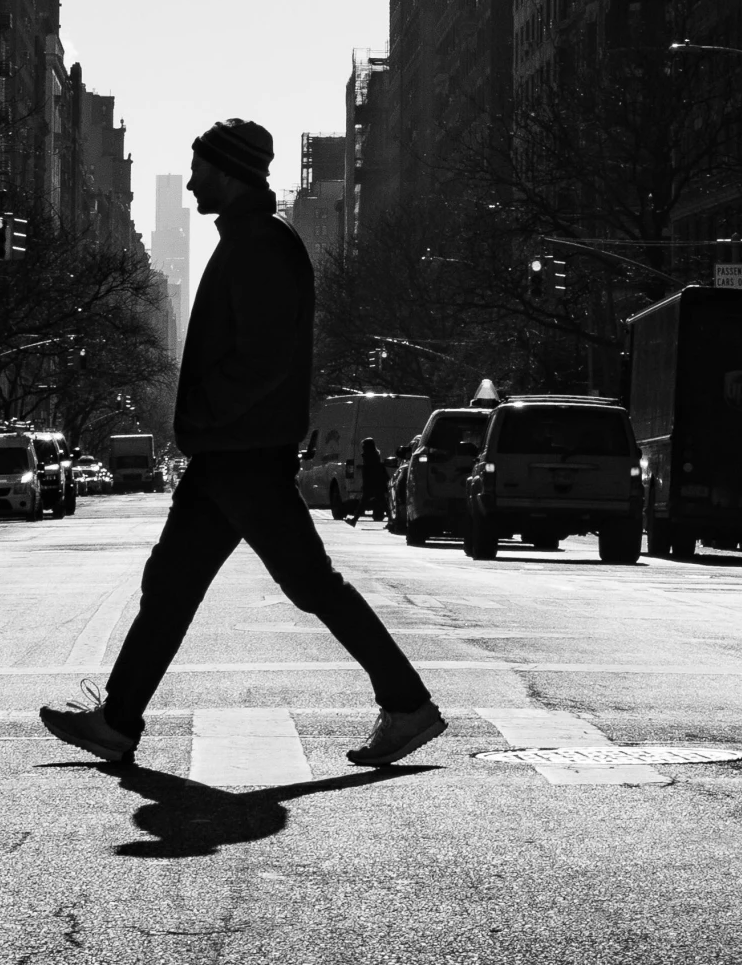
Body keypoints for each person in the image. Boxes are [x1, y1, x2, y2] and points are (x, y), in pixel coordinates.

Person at [41, 118, 445, 769]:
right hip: (231, 453)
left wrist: (204, 410)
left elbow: (263, 358)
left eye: (200, 167)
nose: (194, 178)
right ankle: (118, 720)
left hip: (241, 454)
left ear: (228, 172)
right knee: (177, 586)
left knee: (307, 585)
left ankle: (407, 703)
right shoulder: (250, 240)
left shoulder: (259, 245)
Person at [348, 436, 388, 527]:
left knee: (364, 503)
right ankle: (392, 521)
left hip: (371, 483)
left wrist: (365, 483)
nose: (363, 447)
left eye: (364, 446)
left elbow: (368, 471)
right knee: (383, 503)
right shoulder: (376, 455)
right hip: (377, 483)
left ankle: (354, 520)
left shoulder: (368, 456)